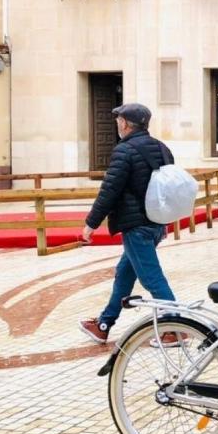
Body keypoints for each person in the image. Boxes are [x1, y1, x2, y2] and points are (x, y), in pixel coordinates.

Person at [78, 104, 179, 345]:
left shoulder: (124, 151)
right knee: (124, 274)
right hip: (156, 224)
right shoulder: (162, 148)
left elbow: (110, 190)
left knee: (152, 278)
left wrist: (91, 224)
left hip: (137, 227)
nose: (117, 124)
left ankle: (175, 327)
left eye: (119, 120)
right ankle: (104, 324)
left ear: (125, 123)